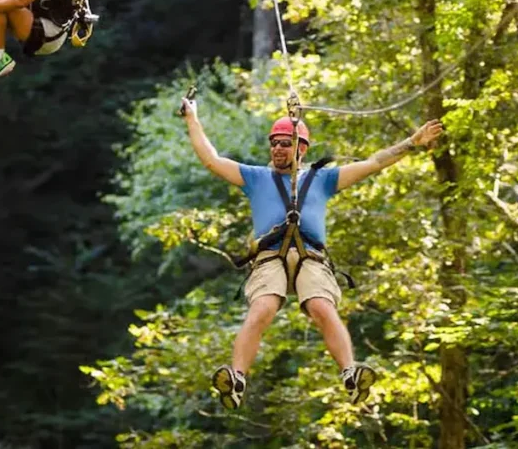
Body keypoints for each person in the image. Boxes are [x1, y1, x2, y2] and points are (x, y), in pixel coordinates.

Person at [179, 96, 443, 409]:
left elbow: (374, 163)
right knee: (261, 309)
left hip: (312, 258)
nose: (278, 149)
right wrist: (192, 119)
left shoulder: (323, 180)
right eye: (274, 143)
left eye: (285, 144)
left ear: (301, 148)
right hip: (269, 257)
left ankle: (350, 372)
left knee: (321, 306)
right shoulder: (255, 178)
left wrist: (411, 142)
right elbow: (211, 160)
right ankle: (236, 379)